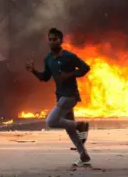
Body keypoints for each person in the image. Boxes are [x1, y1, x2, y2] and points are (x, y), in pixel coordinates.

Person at [25, 28, 91, 165]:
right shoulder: (48, 59)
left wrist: (70, 74)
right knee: (69, 128)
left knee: (51, 121)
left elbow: (85, 68)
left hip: (70, 96)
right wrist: (33, 71)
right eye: (50, 39)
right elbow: (45, 77)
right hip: (60, 96)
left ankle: (81, 125)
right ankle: (83, 156)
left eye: (55, 39)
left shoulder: (69, 56)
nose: (52, 42)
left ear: (61, 40)